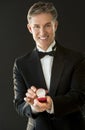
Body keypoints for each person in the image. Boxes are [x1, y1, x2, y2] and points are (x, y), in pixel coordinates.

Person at [13, 1, 85, 130]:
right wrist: (33, 107)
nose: (42, 32)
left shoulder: (76, 59)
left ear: (55, 25)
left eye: (47, 25)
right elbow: (19, 104)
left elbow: (80, 97)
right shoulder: (20, 64)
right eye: (36, 26)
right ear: (30, 28)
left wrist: (52, 104)